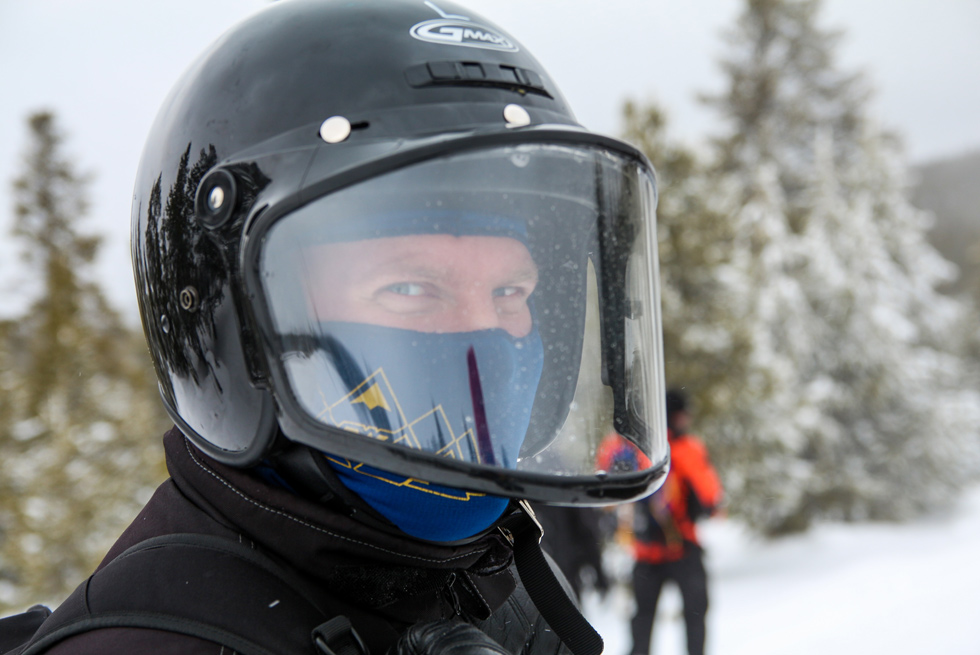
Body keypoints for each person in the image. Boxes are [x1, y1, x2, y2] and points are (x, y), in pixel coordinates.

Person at [10, 1, 673, 653]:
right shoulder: (153, 642)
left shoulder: (506, 586)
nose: (484, 336)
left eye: (510, 290)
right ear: (240, 335)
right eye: (410, 288)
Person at [624, 390, 723, 655]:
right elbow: (712, 497)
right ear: (675, 416)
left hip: (646, 552)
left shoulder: (639, 447)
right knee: (695, 615)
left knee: (642, 620)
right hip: (683, 547)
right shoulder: (688, 448)